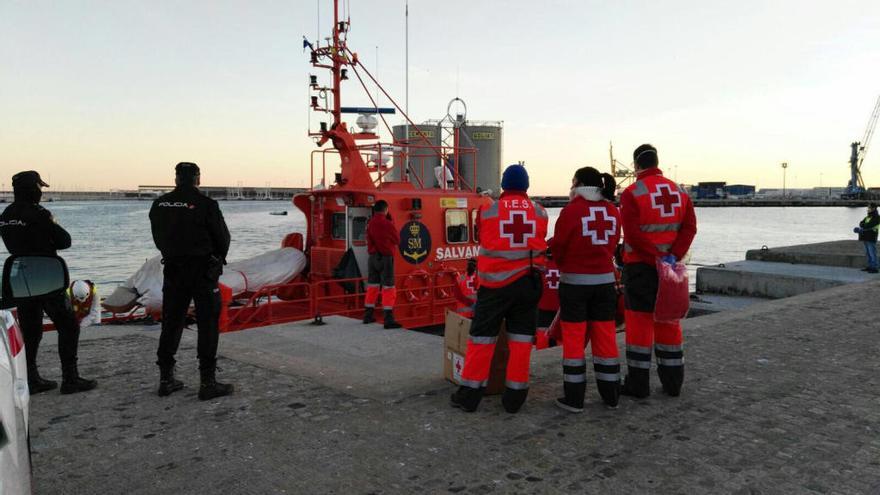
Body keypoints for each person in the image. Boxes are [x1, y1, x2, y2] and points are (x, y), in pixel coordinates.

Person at [451, 164, 548, 413]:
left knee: (482, 338)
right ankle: (515, 396)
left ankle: (470, 394)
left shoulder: (488, 209)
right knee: (522, 340)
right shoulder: (540, 212)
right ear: (526, 185)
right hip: (528, 283)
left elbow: (483, 235)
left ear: (504, 185)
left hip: (495, 285)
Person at [0, 170, 97, 394]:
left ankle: (31, 377)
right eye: (40, 188)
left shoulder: (5, 215)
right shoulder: (40, 214)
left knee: (30, 330)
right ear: (34, 189)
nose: (42, 193)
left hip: (21, 278)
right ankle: (70, 378)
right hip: (46, 277)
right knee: (69, 326)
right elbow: (64, 240)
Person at [149, 162, 233, 400]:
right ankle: (208, 382)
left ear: (176, 178)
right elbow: (223, 239)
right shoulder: (207, 205)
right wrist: (215, 261)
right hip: (202, 272)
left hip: (174, 271)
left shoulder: (159, 204)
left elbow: (158, 238)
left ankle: (166, 379)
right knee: (207, 325)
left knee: (171, 323)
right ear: (198, 178)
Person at [619, 144, 697, 398]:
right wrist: (671, 255)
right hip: (672, 269)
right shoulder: (680, 191)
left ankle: (638, 385)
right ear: (657, 161)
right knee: (669, 322)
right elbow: (689, 228)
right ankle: (673, 383)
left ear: (636, 165)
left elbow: (632, 234)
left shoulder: (632, 193)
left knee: (639, 324)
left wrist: (655, 256)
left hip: (641, 269)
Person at [551, 167, 622, 412]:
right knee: (605, 339)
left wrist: (565, 267)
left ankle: (574, 398)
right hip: (605, 286)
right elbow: (613, 244)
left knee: (574, 341)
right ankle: (611, 394)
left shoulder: (572, 211)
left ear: (579, 184)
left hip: (575, 286)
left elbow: (559, 246)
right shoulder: (613, 211)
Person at [363, 200, 402, 329]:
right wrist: (391, 223)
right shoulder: (387, 223)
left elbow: (368, 238)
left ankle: (368, 315)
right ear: (386, 210)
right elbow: (397, 240)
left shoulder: (370, 223)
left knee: (372, 286)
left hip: (373, 258)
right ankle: (388, 319)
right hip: (386, 258)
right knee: (388, 287)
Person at [536, 241, 559, 350]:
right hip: (560, 306)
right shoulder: (565, 266)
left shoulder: (541, 267)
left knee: (542, 332)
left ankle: (542, 353)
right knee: (560, 333)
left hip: (543, 306)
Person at [854, 203, 879, 273]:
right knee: (867, 253)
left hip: (871, 237)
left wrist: (863, 225)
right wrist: (863, 225)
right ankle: (869, 266)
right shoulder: (867, 217)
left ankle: (875, 268)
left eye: (869, 208)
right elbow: (861, 223)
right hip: (865, 237)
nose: (867, 209)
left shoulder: (877, 217)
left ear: (873, 208)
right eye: (868, 208)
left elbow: (869, 225)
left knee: (872, 253)